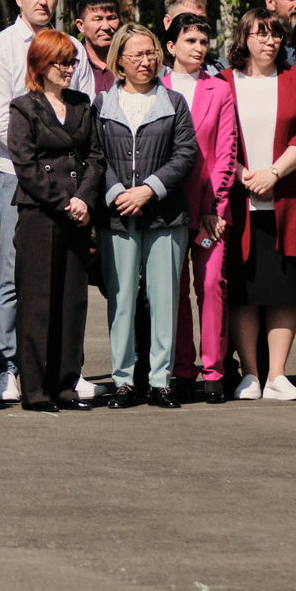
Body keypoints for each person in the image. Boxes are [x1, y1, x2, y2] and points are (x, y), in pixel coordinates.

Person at [224, 10, 296, 402]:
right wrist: (242, 173)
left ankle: (278, 375)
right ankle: (250, 373)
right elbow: (213, 135)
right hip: (238, 201)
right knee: (244, 290)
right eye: (260, 35)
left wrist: (274, 174)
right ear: (243, 38)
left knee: (285, 288)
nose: (269, 42)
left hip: (287, 199)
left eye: (275, 35)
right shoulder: (223, 82)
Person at [95, 24, 198, 407]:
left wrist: (149, 189)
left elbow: (185, 155)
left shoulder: (173, 102)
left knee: (164, 298)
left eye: (151, 53)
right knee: (121, 300)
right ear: (119, 59)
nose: (145, 61)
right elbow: (95, 156)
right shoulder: (102, 103)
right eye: (136, 54)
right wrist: (118, 193)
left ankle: (161, 381)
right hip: (117, 214)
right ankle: (123, 381)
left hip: (165, 215)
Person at [0, 0, 63, 400]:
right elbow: (0, 123)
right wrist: (49, 156)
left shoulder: (71, 50)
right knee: (14, 274)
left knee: (60, 275)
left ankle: (58, 369)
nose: (43, 1)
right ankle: (6, 366)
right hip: (15, 174)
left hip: (64, 180)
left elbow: (80, 112)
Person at [8, 32, 102, 413]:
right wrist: (65, 201)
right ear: (39, 65)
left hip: (78, 211)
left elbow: (96, 158)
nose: (67, 69)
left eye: (71, 62)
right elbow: (25, 165)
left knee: (72, 300)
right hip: (40, 212)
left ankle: (65, 386)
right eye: (59, 62)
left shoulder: (82, 104)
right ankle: (35, 389)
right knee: (38, 301)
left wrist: (85, 200)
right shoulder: (24, 107)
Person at [161, 12, 239, 399]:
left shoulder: (219, 89)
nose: (198, 48)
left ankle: (214, 370)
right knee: (171, 289)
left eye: (204, 42)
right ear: (171, 46)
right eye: (190, 41)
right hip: (167, 208)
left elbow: (226, 152)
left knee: (210, 284)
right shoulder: (156, 87)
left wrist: (215, 207)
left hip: (209, 208)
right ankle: (182, 369)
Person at [72, 0, 122, 96]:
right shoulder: (71, 64)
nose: (106, 26)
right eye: (98, 19)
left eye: (111, 18)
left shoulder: (130, 61)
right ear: (81, 26)